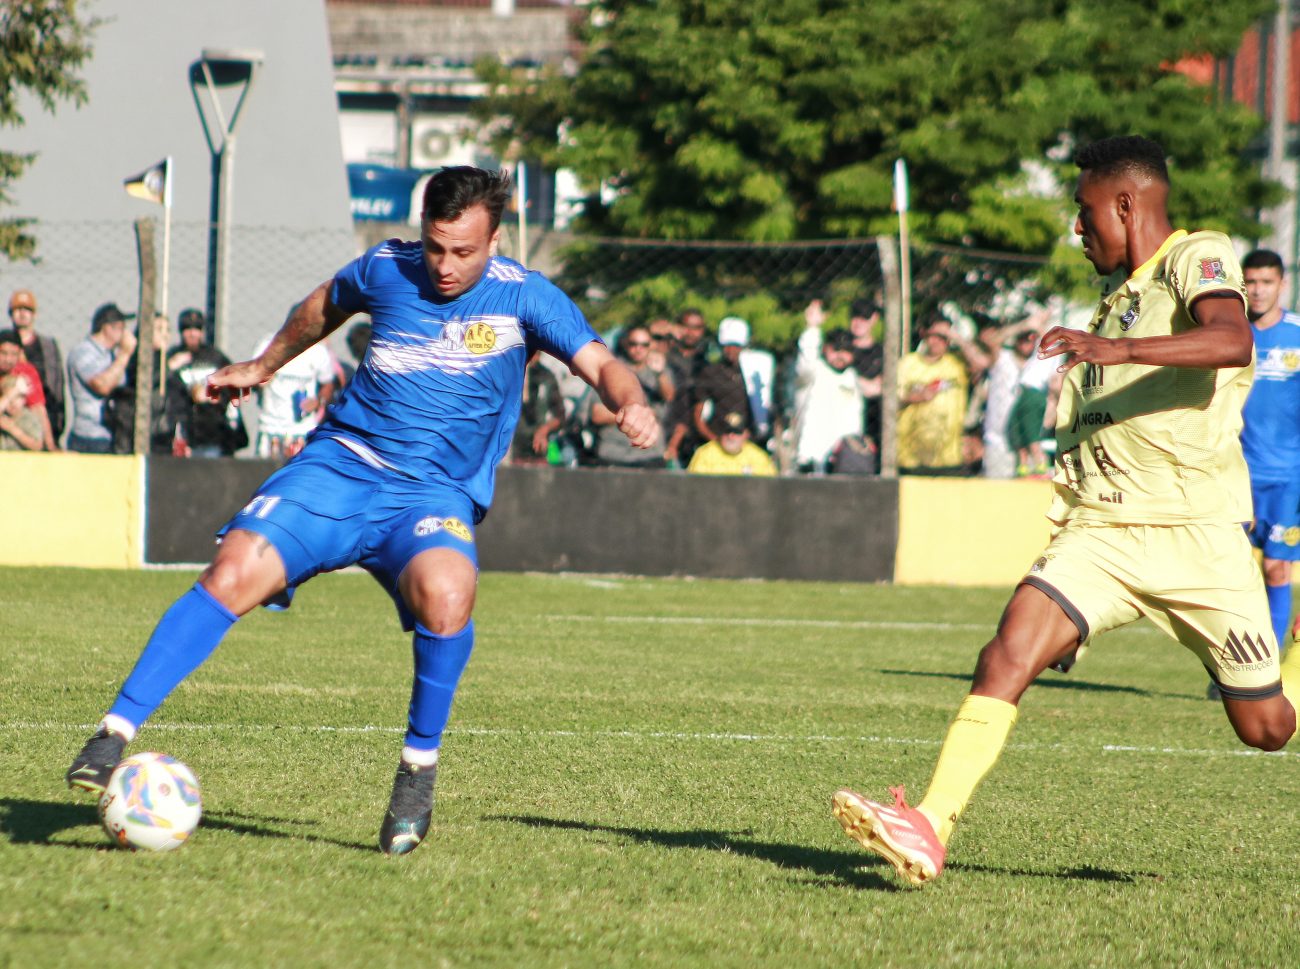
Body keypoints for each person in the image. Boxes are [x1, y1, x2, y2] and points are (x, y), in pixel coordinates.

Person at [65, 166, 659, 857]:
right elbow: (324, 304)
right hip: (341, 467)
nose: (444, 265)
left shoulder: (528, 297)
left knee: (449, 593)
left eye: (463, 252)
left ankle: (416, 772)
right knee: (231, 571)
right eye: (436, 247)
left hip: (431, 495)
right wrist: (262, 366)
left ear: (494, 240)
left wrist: (633, 401)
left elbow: (601, 362)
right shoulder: (387, 266)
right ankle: (114, 731)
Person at [831, 135, 1300, 886]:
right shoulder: (1115, 301)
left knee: (1266, 727)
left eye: (1086, 213)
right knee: (1006, 652)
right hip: (1103, 535)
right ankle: (929, 823)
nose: (1077, 229)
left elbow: (1232, 339)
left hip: (1197, 540)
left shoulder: (1195, 255)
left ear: (1126, 203)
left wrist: (1121, 351)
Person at [1234, 249, 1300, 659]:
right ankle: (1231, 664)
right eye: (1250, 282)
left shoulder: (1298, 335)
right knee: (1230, 575)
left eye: (1265, 282)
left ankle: (1265, 671)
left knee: (1277, 569)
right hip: (1233, 474)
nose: (1257, 291)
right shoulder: (1229, 334)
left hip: (1289, 477)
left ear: (1282, 284)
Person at [578, 324, 670, 469]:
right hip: (614, 453)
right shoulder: (612, 369)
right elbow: (597, 414)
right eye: (633, 344)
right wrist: (638, 413)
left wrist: (660, 374)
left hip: (650, 455)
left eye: (644, 345)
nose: (639, 349)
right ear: (625, 344)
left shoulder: (658, 371)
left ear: (651, 345)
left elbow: (670, 396)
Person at [790, 301, 864, 472]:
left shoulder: (852, 377)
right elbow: (806, 360)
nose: (840, 355)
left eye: (846, 350)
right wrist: (813, 328)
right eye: (836, 349)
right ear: (825, 349)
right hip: (810, 459)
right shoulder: (813, 372)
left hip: (844, 458)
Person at [251, 322, 337, 460]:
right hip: (271, 426)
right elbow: (252, 378)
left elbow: (327, 384)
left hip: (302, 429)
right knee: (266, 475)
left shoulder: (318, 350)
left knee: (300, 475)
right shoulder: (268, 345)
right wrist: (261, 379)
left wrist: (318, 401)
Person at [167, 308, 246, 457]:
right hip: (183, 430)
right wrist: (170, 366)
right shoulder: (173, 356)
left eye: (197, 328)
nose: (192, 333)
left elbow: (233, 387)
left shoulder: (215, 357)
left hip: (212, 431)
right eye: (187, 328)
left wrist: (212, 395)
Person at [895, 319, 969, 475]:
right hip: (911, 456)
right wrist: (916, 397)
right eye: (934, 335)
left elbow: (983, 362)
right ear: (924, 334)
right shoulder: (908, 363)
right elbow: (892, 401)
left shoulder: (957, 365)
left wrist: (957, 338)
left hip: (948, 456)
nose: (937, 341)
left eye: (943, 337)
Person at [64, 302, 137, 453]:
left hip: (113, 435)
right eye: (121, 327)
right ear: (108, 327)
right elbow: (102, 386)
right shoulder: (83, 352)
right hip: (90, 438)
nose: (125, 332)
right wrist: (125, 353)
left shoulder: (111, 355)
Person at [8, 289, 64, 448]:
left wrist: (57, 425)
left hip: (44, 415)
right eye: (18, 309)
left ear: (34, 314)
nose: (22, 314)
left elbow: (57, 387)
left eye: (27, 309)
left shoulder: (48, 346)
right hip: (13, 416)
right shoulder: (5, 343)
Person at [0, 329, 55, 453]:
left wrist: (50, 447)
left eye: (14, 354)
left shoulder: (25, 372)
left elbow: (38, 409)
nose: (8, 360)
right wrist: (12, 393)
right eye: (3, 353)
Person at [511, 354, 565, 465]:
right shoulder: (511, 374)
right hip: (513, 446)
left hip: (538, 448)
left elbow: (560, 415)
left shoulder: (546, 377)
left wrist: (544, 430)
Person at [686, 410, 776, 476]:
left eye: (737, 432)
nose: (731, 436)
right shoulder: (704, 455)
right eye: (727, 431)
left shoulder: (759, 458)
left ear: (746, 434)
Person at [0, 373, 44, 450]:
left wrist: (12, 429)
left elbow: (37, 446)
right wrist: (9, 396)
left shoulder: (29, 418)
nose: (13, 402)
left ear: (24, 399)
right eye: (10, 398)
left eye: (18, 397)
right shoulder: (2, 415)